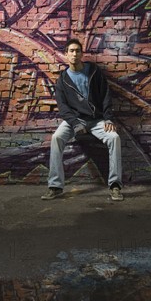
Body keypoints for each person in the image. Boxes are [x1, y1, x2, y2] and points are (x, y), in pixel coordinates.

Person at [41, 38, 124, 201]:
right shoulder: (63, 80)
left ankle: (115, 185)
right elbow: (63, 107)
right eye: (71, 51)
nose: (74, 54)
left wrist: (108, 118)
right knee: (57, 138)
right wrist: (75, 123)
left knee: (114, 138)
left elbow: (106, 95)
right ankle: (55, 186)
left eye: (77, 51)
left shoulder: (93, 71)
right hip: (75, 120)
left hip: (96, 120)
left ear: (81, 54)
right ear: (66, 55)